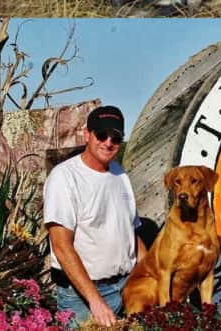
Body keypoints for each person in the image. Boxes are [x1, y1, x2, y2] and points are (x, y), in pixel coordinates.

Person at [43, 106, 145, 327]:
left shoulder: (120, 175)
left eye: (115, 138)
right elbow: (61, 246)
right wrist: (95, 301)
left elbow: (132, 234)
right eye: (101, 135)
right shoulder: (65, 177)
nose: (108, 142)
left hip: (127, 286)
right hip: (83, 297)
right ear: (86, 134)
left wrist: (150, 277)